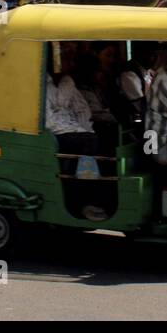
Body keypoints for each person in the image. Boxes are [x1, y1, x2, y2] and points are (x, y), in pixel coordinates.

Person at [45, 41, 108, 221]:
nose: (71, 64)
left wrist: (84, 130)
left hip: (75, 130)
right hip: (54, 134)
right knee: (89, 144)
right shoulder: (41, 84)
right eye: (67, 59)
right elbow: (47, 120)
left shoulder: (67, 82)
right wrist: (81, 134)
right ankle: (85, 199)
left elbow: (82, 109)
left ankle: (100, 195)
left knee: (103, 139)